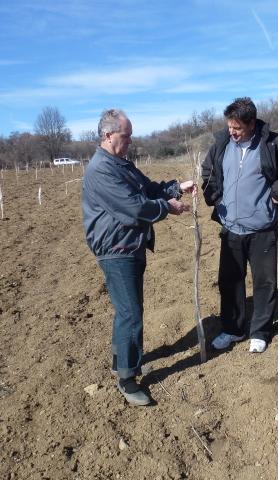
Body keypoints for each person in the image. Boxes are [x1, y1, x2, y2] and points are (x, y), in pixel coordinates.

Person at [82, 109, 195, 406]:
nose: (130, 141)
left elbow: (147, 189)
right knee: (131, 313)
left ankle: (121, 361)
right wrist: (167, 208)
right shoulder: (101, 169)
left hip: (129, 245)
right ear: (108, 136)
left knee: (128, 310)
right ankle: (127, 378)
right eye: (126, 136)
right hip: (116, 249)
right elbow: (134, 208)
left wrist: (175, 188)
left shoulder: (121, 163)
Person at [201, 97, 278, 353]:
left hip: (262, 228)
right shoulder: (221, 145)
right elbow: (208, 172)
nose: (232, 132)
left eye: (238, 128)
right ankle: (232, 328)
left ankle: (260, 331)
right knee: (230, 282)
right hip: (230, 228)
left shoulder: (275, 143)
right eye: (230, 126)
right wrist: (215, 197)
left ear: (252, 123)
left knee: (264, 282)